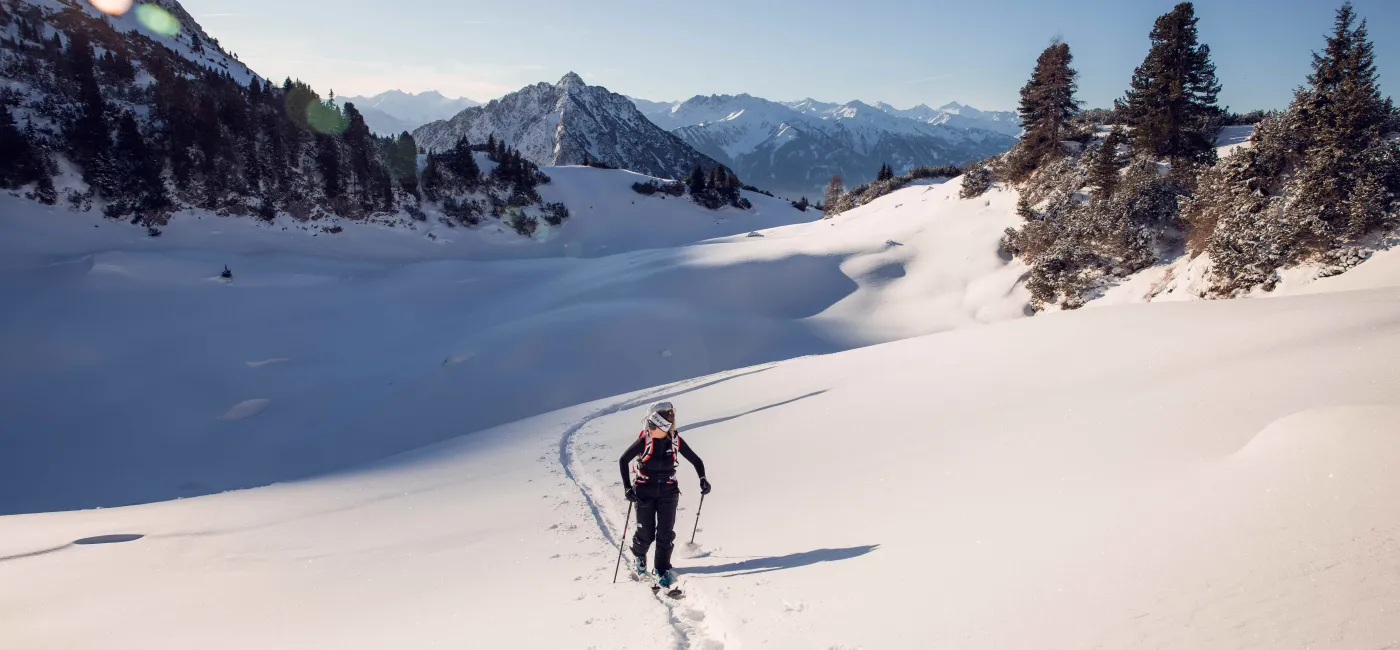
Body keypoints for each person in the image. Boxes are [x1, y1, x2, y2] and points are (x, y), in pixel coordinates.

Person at [618, 401, 711, 588]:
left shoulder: (675, 440)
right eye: (649, 425)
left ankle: (661, 569)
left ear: (663, 427)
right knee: (646, 533)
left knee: (665, 534)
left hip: (669, 491)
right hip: (644, 490)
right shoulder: (645, 440)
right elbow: (623, 460)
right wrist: (628, 488)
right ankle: (639, 554)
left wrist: (702, 479)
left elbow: (696, 460)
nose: (649, 428)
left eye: (653, 426)